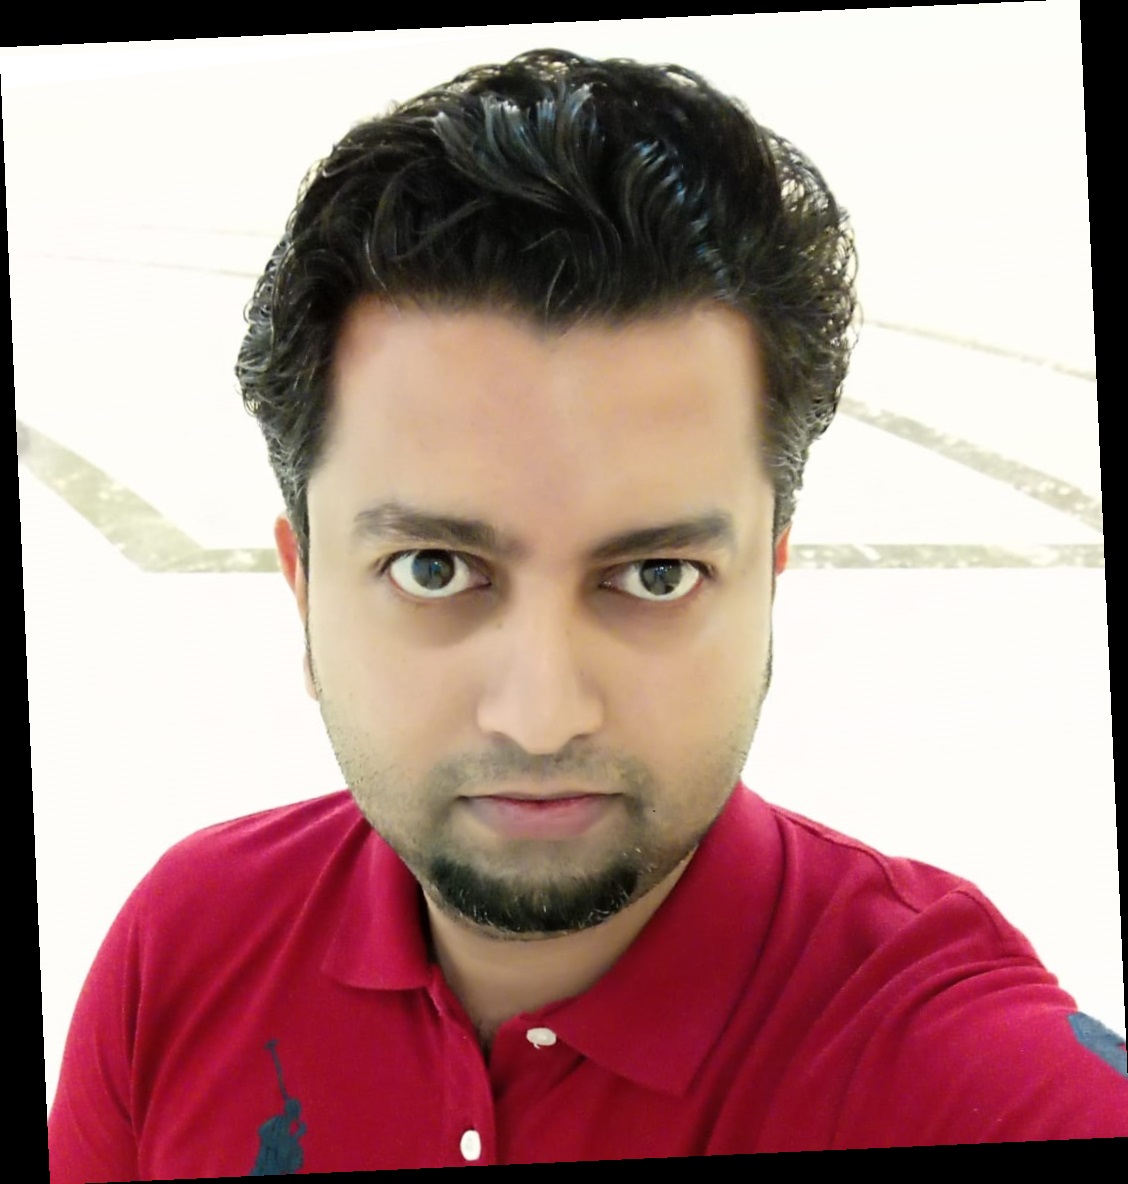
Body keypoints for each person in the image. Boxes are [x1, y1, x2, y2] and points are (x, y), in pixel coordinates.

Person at [47, 49, 1125, 1178]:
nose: (541, 714)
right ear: (304, 585)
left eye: (656, 574)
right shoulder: (184, 948)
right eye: (433, 568)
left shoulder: (943, 1069)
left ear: (771, 580)